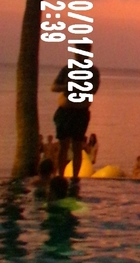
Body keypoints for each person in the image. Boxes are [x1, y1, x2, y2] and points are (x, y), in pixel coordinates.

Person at [52, 44, 100, 180]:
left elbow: (93, 89)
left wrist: (79, 86)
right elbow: (54, 86)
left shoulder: (93, 71)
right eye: (77, 52)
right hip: (65, 111)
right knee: (63, 146)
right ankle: (60, 176)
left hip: (80, 112)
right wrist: (67, 86)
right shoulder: (67, 69)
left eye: (81, 52)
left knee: (77, 146)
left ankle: (74, 177)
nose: (78, 55)